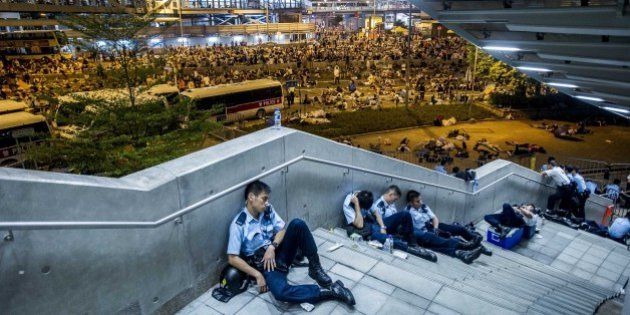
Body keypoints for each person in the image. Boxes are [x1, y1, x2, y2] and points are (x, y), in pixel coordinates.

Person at [227, 181, 355, 306]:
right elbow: (232, 258)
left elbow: (282, 229)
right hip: (268, 267)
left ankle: (315, 268)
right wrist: (257, 274)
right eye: (264, 199)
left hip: (280, 253)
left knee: (297, 224)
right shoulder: (239, 224)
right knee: (281, 293)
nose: (267, 203)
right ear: (251, 197)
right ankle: (331, 291)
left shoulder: (267, 210)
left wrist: (272, 247)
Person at [342, 187, 437, 261]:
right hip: (367, 231)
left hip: (374, 224)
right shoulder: (348, 205)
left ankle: (413, 244)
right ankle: (410, 249)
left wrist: (383, 226)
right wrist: (357, 205)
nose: (366, 210)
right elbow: (359, 225)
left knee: (405, 214)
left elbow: (376, 213)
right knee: (388, 241)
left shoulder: (363, 195)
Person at [405, 190, 488, 263]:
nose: (421, 203)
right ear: (410, 203)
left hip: (434, 226)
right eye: (417, 201)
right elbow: (413, 230)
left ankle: (476, 244)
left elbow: (434, 218)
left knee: (459, 229)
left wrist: (436, 229)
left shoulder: (424, 207)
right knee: (442, 243)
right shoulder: (407, 213)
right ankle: (467, 250)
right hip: (425, 231)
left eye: (421, 200)